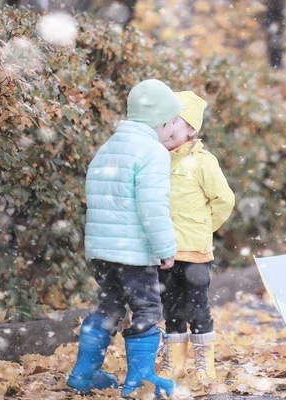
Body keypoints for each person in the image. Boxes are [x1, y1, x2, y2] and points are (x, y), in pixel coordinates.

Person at [67, 79, 182, 398]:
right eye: (173, 122)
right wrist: (165, 249)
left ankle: (83, 373)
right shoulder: (152, 153)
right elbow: (153, 206)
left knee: (110, 307)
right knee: (147, 309)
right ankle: (140, 379)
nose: (174, 130)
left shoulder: (109, 147)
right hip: (133, 254)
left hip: (103, 252)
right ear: (160, 121)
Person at [157, 91, 235, 381]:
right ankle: (175, 364)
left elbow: (224, 199)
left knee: (197, 307)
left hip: (196, 254)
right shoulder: (158, 160)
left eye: (174, 121)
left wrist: (205, 227)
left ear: (191, 129)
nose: (167, 126)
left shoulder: (203, 162)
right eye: (164, 121)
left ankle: (205, 363)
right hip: (166, 251)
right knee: (172, 308)